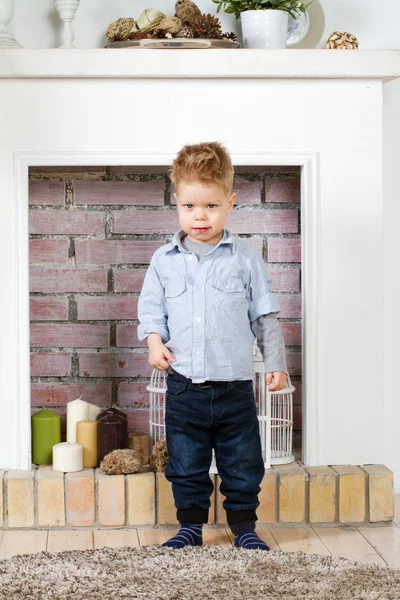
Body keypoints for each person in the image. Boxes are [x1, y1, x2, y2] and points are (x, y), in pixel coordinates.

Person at [138, 141, 289, 551]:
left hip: (235, 386)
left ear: (231, 202)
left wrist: (276, 361)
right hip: (184, 385)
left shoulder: (245, 259)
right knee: (186, 462)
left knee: (242, 462)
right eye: (189, 206)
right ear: (177, 203)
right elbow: (151, 311)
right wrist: (154, 342)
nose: (200, 216)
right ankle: (190, 526)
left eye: (210, 206)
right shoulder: (163, 260)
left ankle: (244, 526)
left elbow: (264, 315)